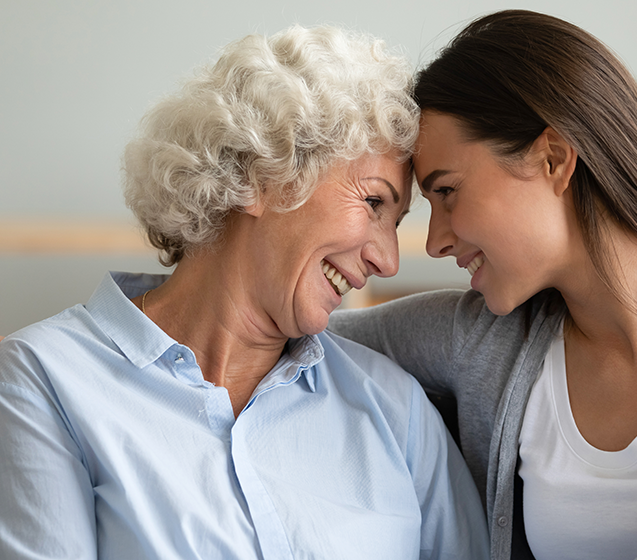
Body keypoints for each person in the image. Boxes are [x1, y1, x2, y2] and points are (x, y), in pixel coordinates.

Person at [328, 9, 637, 560]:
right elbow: (296, 332)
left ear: (554, 159)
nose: (435, 242)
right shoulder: (488, 338)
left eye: (447, 192)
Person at [0, 25, 489, 559]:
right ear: (261, 174)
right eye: (374, 203)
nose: (387, 259)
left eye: (395, 223)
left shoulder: (397, 413)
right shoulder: (43, 381)